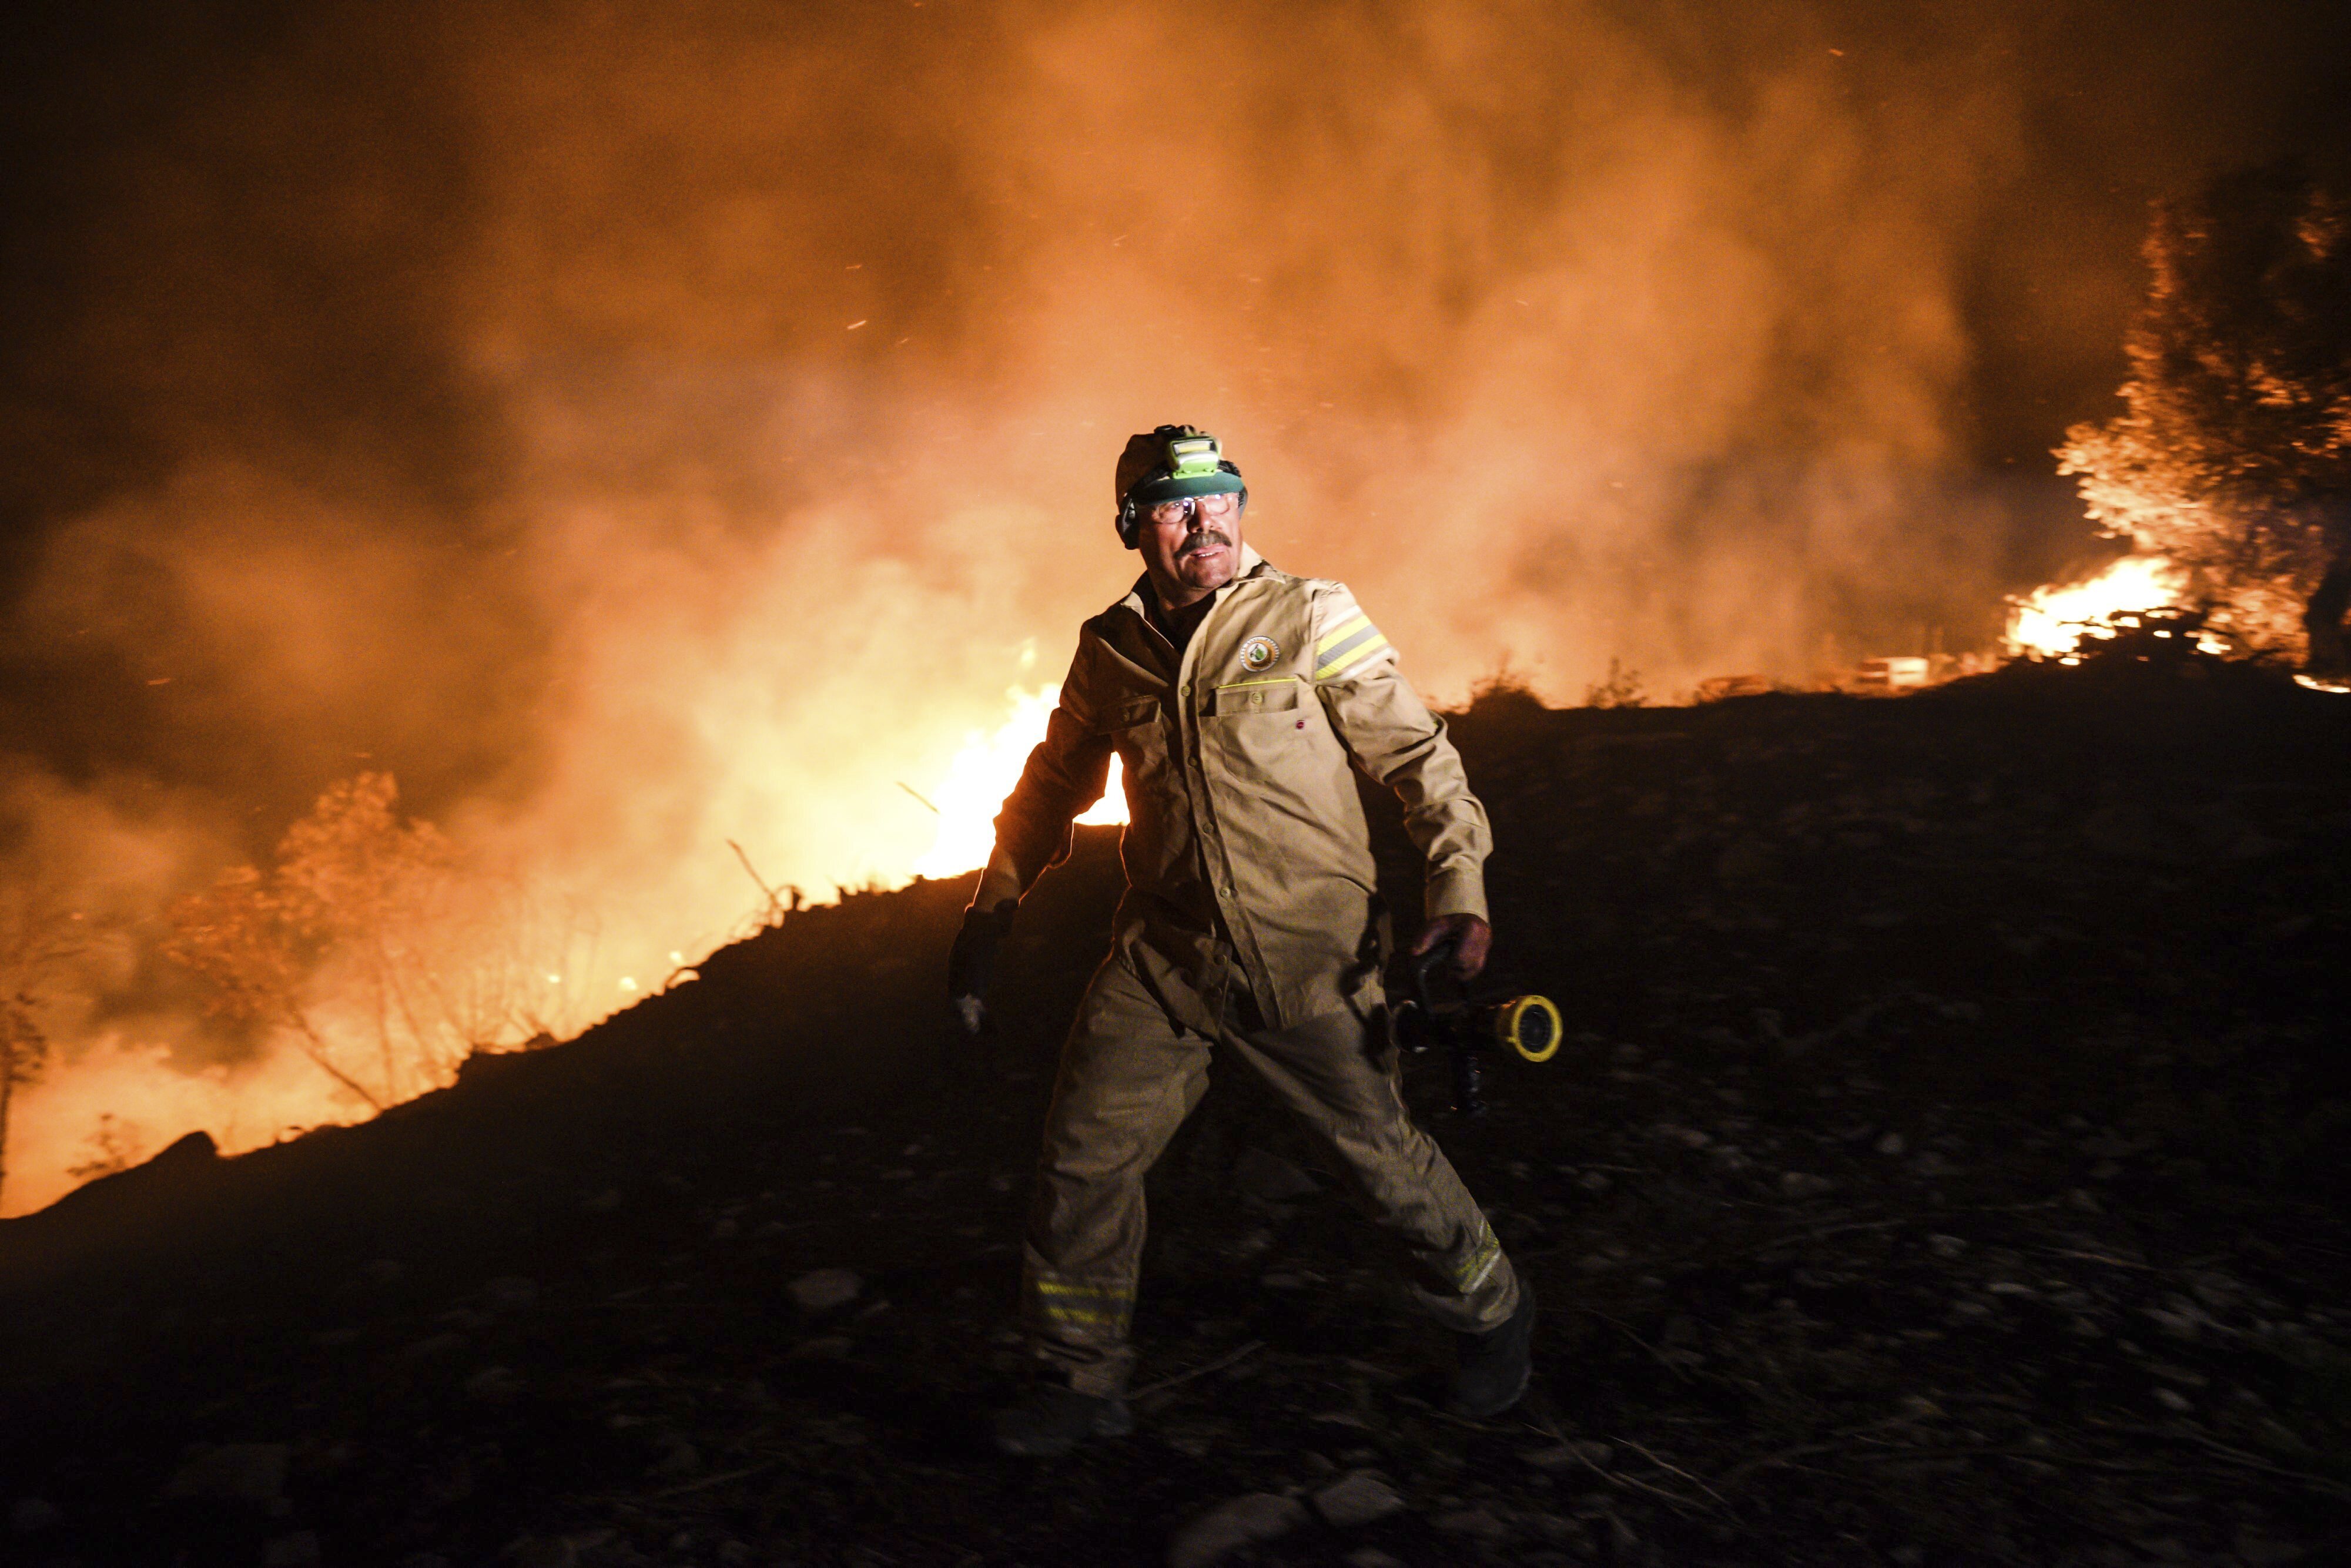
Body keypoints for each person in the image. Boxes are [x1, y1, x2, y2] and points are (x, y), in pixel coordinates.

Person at [947, 424, 1535, 1457]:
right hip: (1166, 959)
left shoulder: (1312, 615)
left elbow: (1421, 760)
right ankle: (1080, 1381)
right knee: (1083, 1159)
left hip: (1310, 956)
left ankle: (1493, 1312)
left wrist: (1459, 890)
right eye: (1175, 507)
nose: (1204, 521)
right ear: (1134, 528)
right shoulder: (1111, 647)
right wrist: (988, 915)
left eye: (1220, 497)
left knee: (1384, 1163)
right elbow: (1050, 792)